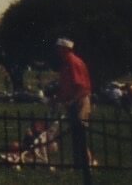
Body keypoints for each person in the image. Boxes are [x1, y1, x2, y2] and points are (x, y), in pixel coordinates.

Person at [54, 37, 93, 171]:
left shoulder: (73, 62)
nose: (57, 51)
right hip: (73, 100)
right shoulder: (66, 63)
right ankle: (79, 164)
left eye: (59, 48)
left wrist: (71, 101)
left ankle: (84, 164)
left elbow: (81, 87)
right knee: (76, 134)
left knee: (79, 133)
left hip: (79, 100)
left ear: (66, 49)